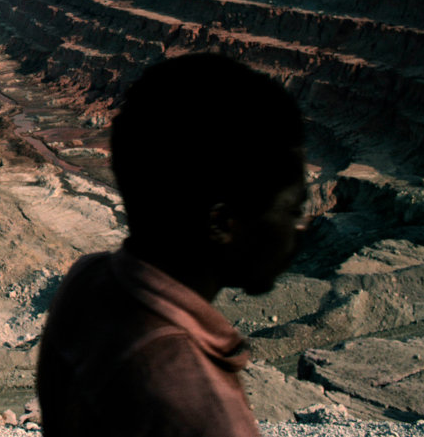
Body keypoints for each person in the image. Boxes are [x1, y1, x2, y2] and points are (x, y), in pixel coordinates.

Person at [36, 52, 308, 437]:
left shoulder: (87, 281)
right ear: (221, 224)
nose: (298, 230)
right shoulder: (201, 409)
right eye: (292, 209)